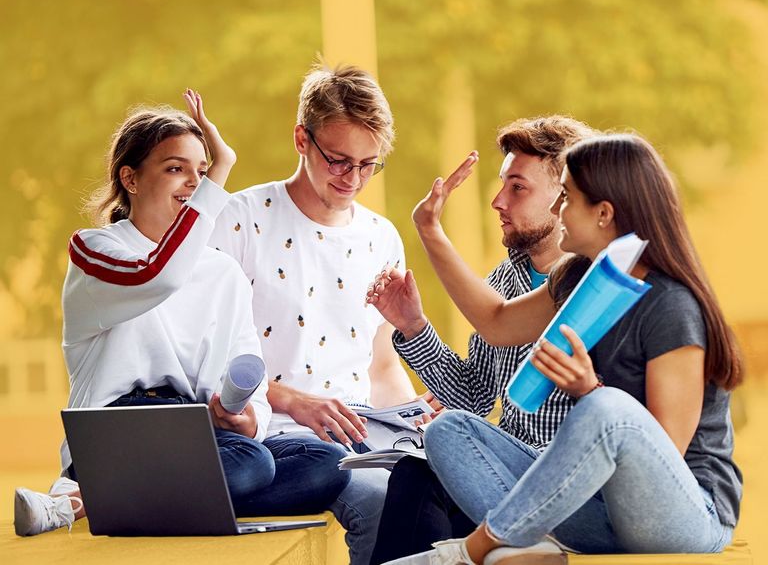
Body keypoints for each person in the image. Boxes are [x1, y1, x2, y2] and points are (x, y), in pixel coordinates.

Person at [369, 134, 743, 564]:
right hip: (598, 512)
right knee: (448, 429)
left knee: (606, 409)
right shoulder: (578, 280)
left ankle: (474, 550)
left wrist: (589, 392)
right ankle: (530, 549)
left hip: (681, 515)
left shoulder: (671, 305)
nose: (556, 210)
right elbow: (495, 321)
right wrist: (430, 230)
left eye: (565, 198)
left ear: (603, 214)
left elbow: (663, 451)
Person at [14, 91, 349, 537]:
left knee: (327, 464)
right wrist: (222, 170)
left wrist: (248, 418)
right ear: (130, 180)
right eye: (176, 169)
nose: (195, 184)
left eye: (203, 172)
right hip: (115, 430)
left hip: (198, 432)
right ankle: (107, 488)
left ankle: (91, 500)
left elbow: (249, 376)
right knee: (250, 465)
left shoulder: (223, 273)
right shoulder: (96, 250)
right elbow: (157, 276)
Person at [208, 64, 419, 565]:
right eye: (340, 161)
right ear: (302, 138)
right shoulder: (239, 220)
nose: (354, 178)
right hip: (274, 435)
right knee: (381, 502)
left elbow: (381, 364)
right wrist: (297, 401)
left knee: (449, 489)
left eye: (370, 165)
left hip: (367, 433)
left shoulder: (381, 237)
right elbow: (208, 361)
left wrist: (414, 418)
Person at [368, 116, 598, 564]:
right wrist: (414, 327)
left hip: (568, 489)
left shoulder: (598, 283)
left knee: (426, 480)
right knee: (416, 477)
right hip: (501, 476)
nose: (498, 201)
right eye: (501, 186)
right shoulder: (503, 280)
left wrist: (431, 230)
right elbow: (473, 395)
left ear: (564, 194)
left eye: (518, 188)